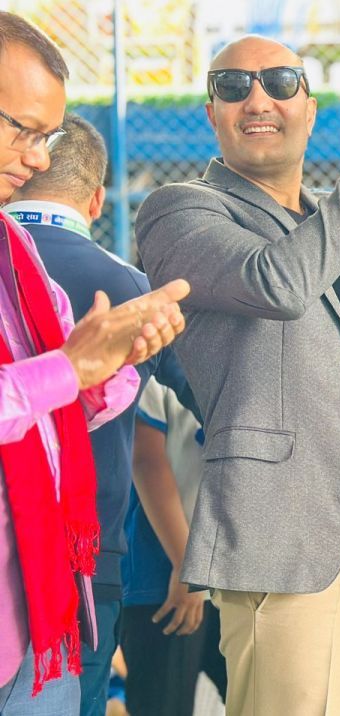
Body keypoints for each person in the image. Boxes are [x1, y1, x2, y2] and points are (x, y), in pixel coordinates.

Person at [135, 34, 340, 715]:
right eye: (233, 87)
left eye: (281, 83)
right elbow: (277, 284)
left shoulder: (335, 213)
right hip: (286, 541)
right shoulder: (179, 210)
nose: (258, 100)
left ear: (310, 110)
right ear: (212, 114)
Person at [0, 11, 188, 713]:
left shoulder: (16, 251)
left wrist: (113, 363)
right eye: (24, 130)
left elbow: (54, 401)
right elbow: (50, 381)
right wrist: (72, 370)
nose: (37, 160)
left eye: (46, 138)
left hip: (39, 605)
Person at [121, 376, 226, 715]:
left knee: (261, 697)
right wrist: (185, 564)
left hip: (229, 572)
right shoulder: (155, 365)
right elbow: (145, 459)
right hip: (166, 574)